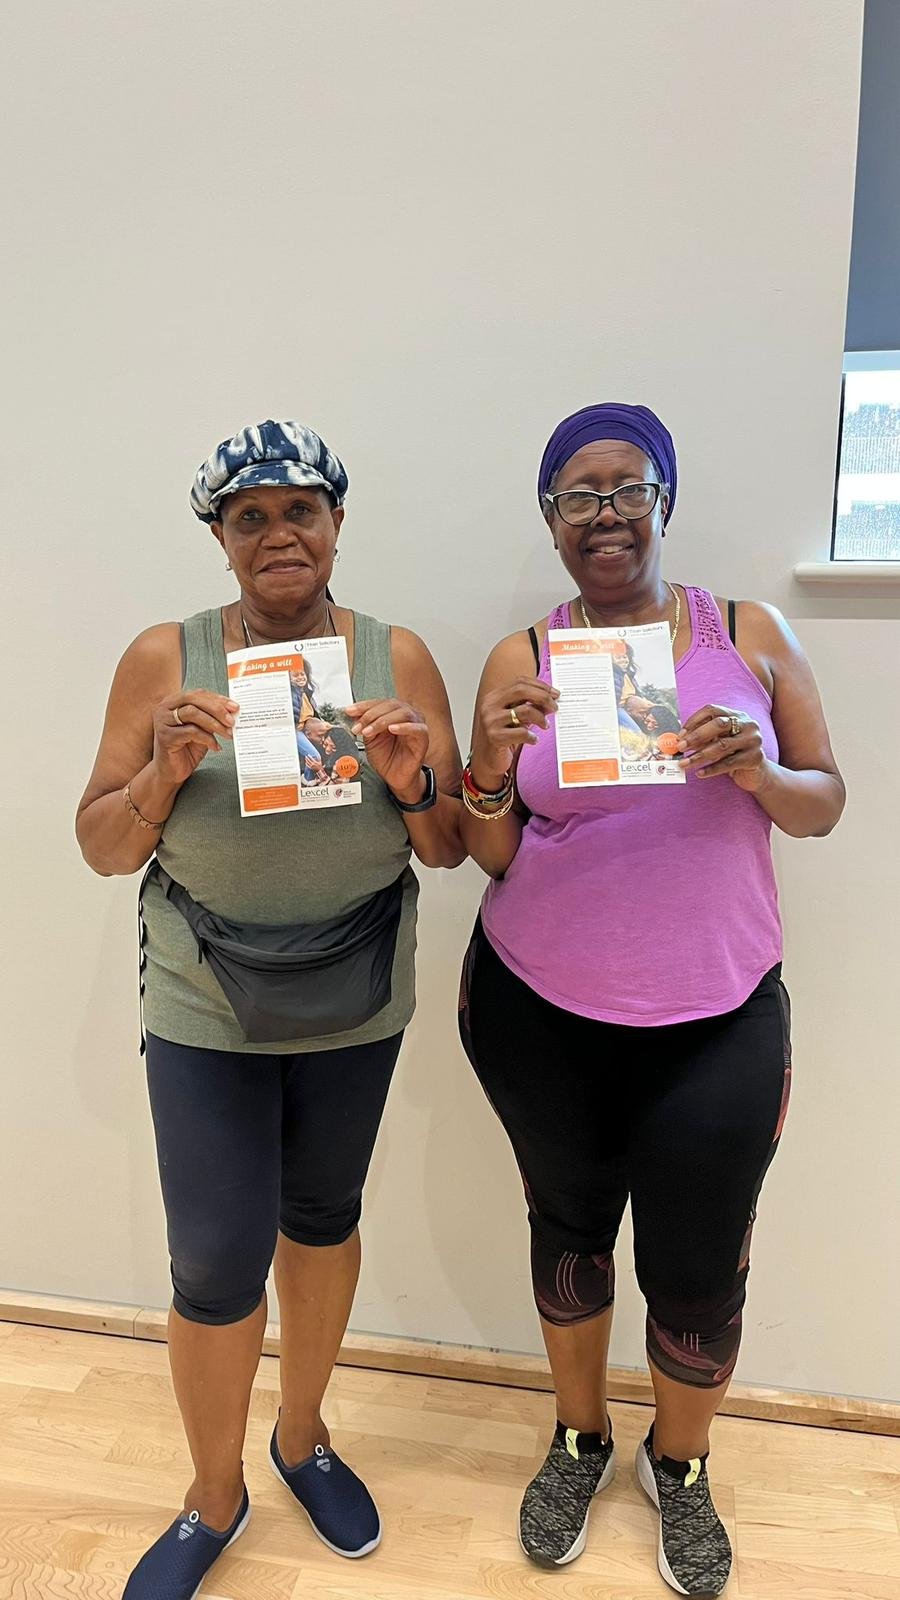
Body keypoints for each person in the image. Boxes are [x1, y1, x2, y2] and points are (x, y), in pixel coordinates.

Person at [458, 403, 845, 1596]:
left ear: (664, 501)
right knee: (566, 1234)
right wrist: (482, 760)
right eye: (578, 497)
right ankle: (579, 1438)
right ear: (553, 523)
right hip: (540, 1008)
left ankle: (679, 1465)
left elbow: (826, 799)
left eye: (628, 489)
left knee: (697, 1269)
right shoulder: (526, 657)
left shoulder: (751, 636)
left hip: (717, 1020)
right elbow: (492, 847)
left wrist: (761, 768)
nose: (606, 515)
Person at [76, 418, 464, 1600]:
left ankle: (302, 1434)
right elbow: (99, 846)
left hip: (357, 991)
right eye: (252, 516)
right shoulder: (165, 658)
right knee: (213, 1259)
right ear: (221, 539)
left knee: (324, 1213)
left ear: (338, 523)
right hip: (203, 996)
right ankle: (213, 1493)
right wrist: (156, 774)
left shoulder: (395, 655)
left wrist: (414, 784)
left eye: (302, 510)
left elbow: (450, 847)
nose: (279, 532)